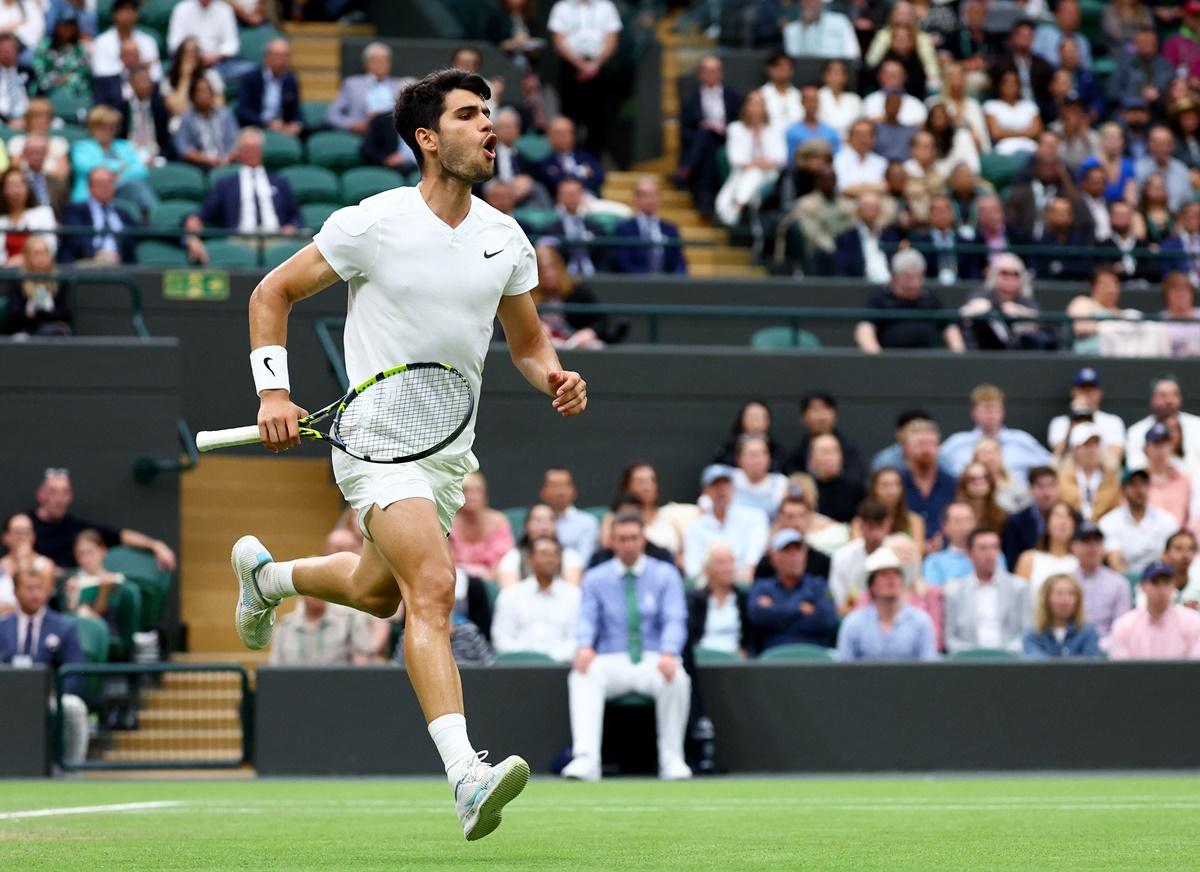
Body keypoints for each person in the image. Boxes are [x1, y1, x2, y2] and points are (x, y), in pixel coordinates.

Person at [228, 69, 590, 839]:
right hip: (377, 445)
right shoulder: (374, 223)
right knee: (432, 586)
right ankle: (465, 774)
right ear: (429, 139)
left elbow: (528, 344)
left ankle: (268, 577)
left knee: (379, 591)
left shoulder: (505, 236)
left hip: (447, 455)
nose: (490, 126)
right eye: (469, 115)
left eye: (490, 113)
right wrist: (271, 393)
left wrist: (552, 376)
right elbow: (271, 294)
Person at [564, 510, 690, 782]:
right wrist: (584, 646)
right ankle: (586, 759)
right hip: (612, 658)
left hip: (653, 658)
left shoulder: (666, 574)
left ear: (643, 539)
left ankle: (672, 758)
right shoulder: (596, 578)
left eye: (634, 537)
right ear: (613, 542)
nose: (629, 544)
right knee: (583, 674)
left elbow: (675, 618)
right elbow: (587, 618)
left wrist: (670, 651)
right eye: (623, 538)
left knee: (677, 676)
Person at [0, 560, 89, 765]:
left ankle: (71, 769)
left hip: (50, 697)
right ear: (15, 591)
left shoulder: (65, 627)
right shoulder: (2, 627)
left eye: (40, 588)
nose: (35, 594)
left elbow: (76, 671)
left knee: (73, 707)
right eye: (29, 588)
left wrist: (56, 694)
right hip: (6, 697)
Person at [183, 128, 303, 265]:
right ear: (239, 151)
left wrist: (291, 227)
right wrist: (192, 231)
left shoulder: (279, 181)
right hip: (240, 238)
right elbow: (202, 214)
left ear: (261, 151)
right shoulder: (226, 184)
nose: (252, 152)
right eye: (247, 148)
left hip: (276, 236)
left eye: (255, 148)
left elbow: (296, 216)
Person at [547, 0, 622, 158]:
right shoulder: (562, 7)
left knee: (598, 119)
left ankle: (593, 161)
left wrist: (595, 64)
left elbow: (611, 39)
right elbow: (559, 40)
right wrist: (581, 65)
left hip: (599, 68)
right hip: (570, 69)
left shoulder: (606, 6)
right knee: (569, 117)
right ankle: (566, 159)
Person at [836, 546, 937, 661]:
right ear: (871, 585)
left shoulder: (921, 621)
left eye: (896, 573)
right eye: (884, 574)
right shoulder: (853, 623)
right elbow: (844, 669)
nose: (891, 578)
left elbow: (929, 667)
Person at [855, 249, 965, 353]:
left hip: (930, 363)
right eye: (908, 278)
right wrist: (878, 359)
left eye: (919, 277)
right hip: (891, 363)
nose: (914, 284)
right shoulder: (879, 298)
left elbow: (950, 329)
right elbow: (864, 330)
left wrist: (958, 355)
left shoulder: (930, 298)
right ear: (894, 277)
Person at [942, 528, 1032, 654]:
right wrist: (974, 656)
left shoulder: (1019, 588)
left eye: (994, 547)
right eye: (983, 548)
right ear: (970, 554)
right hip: (969, 663)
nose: (990, 554)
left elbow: (1027, 633)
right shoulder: (955, 592)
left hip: (1010, 662)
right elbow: (950, 639)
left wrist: (1003, 655)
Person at [491, 536, 581, 661]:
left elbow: (576, 638)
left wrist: (549, 659)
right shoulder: (510, 594)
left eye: (555, 554)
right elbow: (501, 638)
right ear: (530, 560)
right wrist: (529, 657)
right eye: (544, 554)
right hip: (518, 666)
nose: (550, 559)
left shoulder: (574, 595)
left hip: (560, 666)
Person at [939, 384, 1051, 483]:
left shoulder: (1022, 441)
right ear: (973, 412)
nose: (991, 415)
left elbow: (1051, 465)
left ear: (1003, 411)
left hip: (1017, 503)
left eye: (995, 410)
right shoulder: (956, 444)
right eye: (986, 410)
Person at [747, 529, 838, 650]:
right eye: (788, 551)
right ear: (774, 557)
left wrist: (776, 612)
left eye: (798, 550)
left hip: (814, 656)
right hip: (774, 658)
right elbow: (756, 615)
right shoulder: (762, 586)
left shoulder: (821, 585)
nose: (794, 557)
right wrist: (799, 609)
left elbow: (827, 619)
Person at [676, 55, 741, 216]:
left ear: (721, 73)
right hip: (701, 144)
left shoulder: (733, 97)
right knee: (706, 139)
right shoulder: (691, 99)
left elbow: (740, 123)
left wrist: (722, 129)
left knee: (707, 137)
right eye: (707, 71)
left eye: (715, 71)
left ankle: (686, 169)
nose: (711, 74)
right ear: (700, 74)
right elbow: (685, 131)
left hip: (727, 140)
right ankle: (705, 199)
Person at [683, 465, 770, 582]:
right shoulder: (695, 526)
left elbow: (755, 552)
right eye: (715, 485)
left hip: (744, 583)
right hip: (709, 585)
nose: (721, 490)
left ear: (733, 487)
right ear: (705, 490)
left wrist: (749, 568)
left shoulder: (755, 517)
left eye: (725, 484)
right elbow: (692, 567)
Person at [599, 461, 696, 560]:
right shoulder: (615, 517)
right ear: (626, 487)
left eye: (652, 480)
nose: (647, 487)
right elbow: (607, 546)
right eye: (640, 482)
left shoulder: (671, 513)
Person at [715, 91, 785, 228]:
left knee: (755, 173)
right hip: (741, 174)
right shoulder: (735, 128)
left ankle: (737, 207)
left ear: (765, 107)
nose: (755, 107)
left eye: (759, 103)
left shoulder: (774, 129)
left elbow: (780, 158)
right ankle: (733, 209)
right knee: (722, 203)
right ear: (746, 106)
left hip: (769, 174)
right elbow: (736, 159)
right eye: (751, 103)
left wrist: (759, 163)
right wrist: (759, 162)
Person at [69, 104, 154, 212]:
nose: (108, 132)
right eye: (103, 127)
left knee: (135, 186)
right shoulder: (82, 147)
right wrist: (120, 166)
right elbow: (85, 167)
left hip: (122, 193)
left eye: (112, 128)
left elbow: (141, 170)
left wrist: (116, 177)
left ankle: (153, 217)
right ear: (93, 128)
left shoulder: (124, 146)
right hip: (89, 196)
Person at [1108, 561, 1200, 659]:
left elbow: (1195, 667)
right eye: (1155, 583)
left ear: (1173, 586)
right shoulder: (1124, 625)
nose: (1161, 589)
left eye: (1166, 583)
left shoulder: (1192, 622)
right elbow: (1121, 670)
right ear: (1142, 586)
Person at [958, 253, 1047, 351]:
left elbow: (1037, 319)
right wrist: (996, 308)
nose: (1010, 278)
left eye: (1015, 274)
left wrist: (1017, 311)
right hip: (981, 353)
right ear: (994, 275)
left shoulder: (1025, 299)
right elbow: (966, 312)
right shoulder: (982, 293)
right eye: (1004, 273)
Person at [1099, 470, 1180, 576]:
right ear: (1123, 490)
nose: (1139, 490)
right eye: (1133, 485)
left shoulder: (1167, 520)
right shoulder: (1109, 522)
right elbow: (1115, 562)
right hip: (1124, 579)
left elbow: (1170, 558)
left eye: (1144, 484)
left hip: (1160, 579)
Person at [1047, 367, 1127, 468]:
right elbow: (1059, 453)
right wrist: (1076, 416)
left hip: (1102, 473)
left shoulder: (1113, 421)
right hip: (1070, 473)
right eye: (1083, 389)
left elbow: (1115, 457)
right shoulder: (1060, 422)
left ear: (1100, 393)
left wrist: (1088, 421)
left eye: (1091, 389)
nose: (1087, 393)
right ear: (1073, 392)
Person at [58, 167, 138, 265]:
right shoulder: (75, 210)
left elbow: (142, 230)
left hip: (121, 265)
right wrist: (95, 253)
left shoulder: (123, 213)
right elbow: (74, 238)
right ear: (90, 187)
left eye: (109, 183)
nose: (105, 187)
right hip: (87, 262)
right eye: (100, 183)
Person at [1072, 522, 1132, 648]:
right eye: (1086, 542)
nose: (1092, 547)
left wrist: (1100, 646)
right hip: (1071, 647)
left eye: (1097, 542)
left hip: (1108, 649)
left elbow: (1122, 627)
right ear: (1074, 547)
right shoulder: (1066, 582)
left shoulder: (1119, 583)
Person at [325, 42, 406, 135]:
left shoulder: (399, 84)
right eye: (375, 60)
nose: (380, 64)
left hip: (393, 132)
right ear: (366, 63)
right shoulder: (352, 84)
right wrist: (352, 124)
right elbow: (332, 114)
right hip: (363, 132)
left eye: (384, 60)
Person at [496, 504, 583, 588]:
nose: (544, 527)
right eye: (538, 520)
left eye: (550, 520)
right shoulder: (512, 558)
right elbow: (509, 597)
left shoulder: (570, 556)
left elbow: (573, 595)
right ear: (526, 526)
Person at [784, 392, 865, 484]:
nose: (821, 417)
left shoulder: (849, 449)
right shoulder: (796, 455)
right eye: (815, 410)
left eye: (826, 409)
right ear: (803, 417)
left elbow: (857, 478)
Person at [687, 541, 750, 656]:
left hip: (735, 659)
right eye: (720, 562)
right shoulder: (694, 599)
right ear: (708, 567)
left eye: (730, 561)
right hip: (702, 659)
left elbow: (750, 638)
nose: (727, 568)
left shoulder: (743, 598)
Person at [829, 498, 892, 613]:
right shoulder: (842, 556)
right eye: (870, 526)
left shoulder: (900, 552)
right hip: (853, 616)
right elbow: (838, 602)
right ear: (860, 525)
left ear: (888, 525)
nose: (875, 533)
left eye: (880, 525)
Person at [612, 177, 686, 275]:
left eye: (654, 195)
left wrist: (674, 280)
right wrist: (647, 281)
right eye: (644, 195)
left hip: (667, 285)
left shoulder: (670, 229)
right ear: (636, 198)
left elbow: (679, 261)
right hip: (635, 284)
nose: (650, 200)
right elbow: (622, 262)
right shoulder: (624, 229)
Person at [1126, 377, 1200, 472]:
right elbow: (1135, 468)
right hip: (1154, 484)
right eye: (1163, 395)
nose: (1169, 400)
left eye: (1174, 395)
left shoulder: (1197, 425)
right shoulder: (1136, 431)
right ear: (1152, 399)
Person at [900, 420, 955, 545]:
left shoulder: (953, 484)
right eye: (920, 444)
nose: (926, 450)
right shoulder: (896, 485)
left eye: (931, 444)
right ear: (906, 448)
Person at [1022, 573, 1101, 658]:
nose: (1065, 600)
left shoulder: (1088, 632)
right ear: (1046, 599)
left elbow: (1091, 665)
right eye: (1059, 594)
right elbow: (1035, 666)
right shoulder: (1033, 634)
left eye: (1071, 594)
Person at [166, 0, 247, 83]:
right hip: (190, 63)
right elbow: (174, 44)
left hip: (219, 64)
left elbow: (232, 44)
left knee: (249, 71)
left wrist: (217, 55)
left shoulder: (225, 9)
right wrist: (196, 56)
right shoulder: (182, 9)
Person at [236, 39, 303, 137]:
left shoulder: (291, 80)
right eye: (278, 56)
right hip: (256, 127)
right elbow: (243, 110)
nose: (282, 60)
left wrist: (297, 124)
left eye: (286, 56)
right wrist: (267, 123)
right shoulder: (250, 79)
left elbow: (296, 111)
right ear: (267, 56)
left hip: (283, 128)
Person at [1057, 424, 1121, 523]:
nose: (1092, 450)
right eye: (1087, 445)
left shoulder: (1111, 480)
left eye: (1096, 444)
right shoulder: (1062, 479)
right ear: (1075, 449)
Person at [5, 235, 68, 334]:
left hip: (52, 332)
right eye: (37, 254)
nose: (42, 259)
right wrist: (29, 315)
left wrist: (44, 313)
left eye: (45, 253)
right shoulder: (18, 281)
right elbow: (14, 315)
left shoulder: (60, 280)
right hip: (24, 331)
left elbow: (65, 313)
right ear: (27, 257)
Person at [1014, 500, 1081, 594]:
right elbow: (1018, 599)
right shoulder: (1029, 559)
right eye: (1058, 516)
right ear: (1047, 523)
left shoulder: (1081, 562)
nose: (1063, 521)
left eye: (1068, 516)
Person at [173, 76, 239, 171]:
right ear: (192, 96)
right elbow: (183, 148)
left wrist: (227, 158)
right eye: (200, 91)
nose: (205, 94)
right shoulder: (186, 119)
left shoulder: (225, 114)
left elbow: (236, 141)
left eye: (208, 90)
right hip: (200, 167)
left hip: (227, 163)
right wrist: (204, 158)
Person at [1000, 465, 1059, 569]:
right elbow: (1012, 562)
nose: (1047, 493)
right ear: (1030, 489)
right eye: (1041, 486)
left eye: (1051, 485)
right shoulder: (1015, 523)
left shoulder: (1072, 518)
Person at [91, 0, 162, 85]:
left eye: (132, 9)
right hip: (113, 92)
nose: (128, 12)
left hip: (143, 93)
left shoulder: (149, 41)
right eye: (123, 9)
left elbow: (156, 75)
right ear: (114, 14)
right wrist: (138, 66)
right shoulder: (101, 42)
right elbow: (101, 74)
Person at [540, 467, 598, 565]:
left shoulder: (587, 522)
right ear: (543, 492)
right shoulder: (535, 522)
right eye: (554, 486)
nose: (560, 492)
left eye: (564, 485)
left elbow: (584, 561)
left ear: (574, 491)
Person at [120, 64, 174, 169]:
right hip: (130, 158)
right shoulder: (122, 109)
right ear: (131, 83)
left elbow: (165, 140)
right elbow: (120, 140)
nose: (145, 84)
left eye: (147, 80)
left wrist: (161, 157)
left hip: (156, 157)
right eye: (141, 80)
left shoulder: (160, 108)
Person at [807, 434, 865, 525]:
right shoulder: (806, 489)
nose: (830, 457)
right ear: (812, 459)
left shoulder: (856, 489)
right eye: (825, 452)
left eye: (835, 451)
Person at [0, 167, 54, 264]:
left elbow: (50, 248)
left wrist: (21, 260)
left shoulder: (43, 214)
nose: (16, 190)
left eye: (21, 184)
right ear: (4, 190)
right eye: (12, 185)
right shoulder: (1, 221)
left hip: (36, 274)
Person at [864, 465, 925, 550]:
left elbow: (918, 552)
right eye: (885, 485)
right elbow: (861, 550)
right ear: (874, 489)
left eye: (897, 484)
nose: (892, 491)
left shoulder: (914, 521)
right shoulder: (861, 522)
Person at [983, 69, 1042, 156]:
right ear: (1000, 85)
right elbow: (995, 133)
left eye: (1014, 83)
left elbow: (1037, 132)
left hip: (1031, 148)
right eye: (1006, 82)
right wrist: (1025, 132)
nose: (1010, 85)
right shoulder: (991, 105)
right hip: (1004, 150)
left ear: (1019, 86)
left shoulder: (1029, 105)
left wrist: (1007, 132)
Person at [923, 501, 981, 587]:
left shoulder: (994, 555)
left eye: (968, 520)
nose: (964, 526)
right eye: (957, 521)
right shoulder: (934, 561)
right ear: (945, 527)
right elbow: (934, 595)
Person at [732, 435, 788, 520]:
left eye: (764, 453)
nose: (758, 459)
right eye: (753, 454)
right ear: (739, 459)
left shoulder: (781, 483)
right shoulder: (729, 479)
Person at [716, 400, 784, 470]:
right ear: (742, 419)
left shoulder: (776, 451)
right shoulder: (728, 450)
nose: (756, 422)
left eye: (760, 417)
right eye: (752, 417)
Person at [783, 0, 859, 60]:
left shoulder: (840, 21)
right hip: (805, 73)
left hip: (836, 72)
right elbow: (793, 58)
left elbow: (852, 52)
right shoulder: (791, 30)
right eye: (805, 1)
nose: (809, 3)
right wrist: (805, 29)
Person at [832, 119, 887, 198]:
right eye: (859, 135)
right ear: (850, 138)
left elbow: (884, 188)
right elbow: (843, 189)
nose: (863, 139)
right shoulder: (838, 160)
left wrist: (859, 187)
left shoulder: (881, 162)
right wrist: (872, 187)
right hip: (848, 203)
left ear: (873, 138)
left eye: (866, 135)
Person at [955, 462, 1008, 535]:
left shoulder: (1002, 516)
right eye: (972, 479)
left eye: (985, 477)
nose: (979, 482)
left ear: (991, 481)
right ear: (964, 483)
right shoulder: (955, 514)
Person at [1160, 271, 1200, 358]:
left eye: (1184, 290)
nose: (1180, 295)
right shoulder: (1158, 321)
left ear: (1192, 294)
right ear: (1166, 295)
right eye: (1175, 291)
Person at [759, 52, 801, 129]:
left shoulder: (799, 95)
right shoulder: (760, 95)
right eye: (779, 65)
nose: (783, 69)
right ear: (769, 69)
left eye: (788, 66)